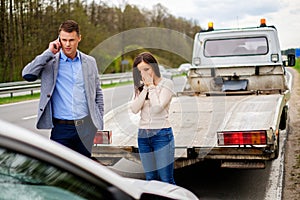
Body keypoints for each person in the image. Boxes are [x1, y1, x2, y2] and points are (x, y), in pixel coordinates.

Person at [22, 20, 104, 158]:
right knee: (60, 175)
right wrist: (48, 52)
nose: (67, 44)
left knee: (85, 174)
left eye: (71, 40)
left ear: (79, 38)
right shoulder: (50, 62)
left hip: (86, 128)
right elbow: (27, 74)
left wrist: (99, 121)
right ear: (58, 39)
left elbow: (98, 93)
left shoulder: (90, 62)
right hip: (61, 130)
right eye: (64, 40)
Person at [131, 52, 176, 184]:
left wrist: (151, 87)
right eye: (140, 71)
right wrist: (145, 89)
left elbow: (157, 108)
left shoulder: (167, 84)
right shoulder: (140, 87)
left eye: (147, 69)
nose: (144, 74)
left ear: (154, 67)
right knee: (150, 179)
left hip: (161, 135)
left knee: (165, 179)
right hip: (143, 135)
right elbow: (134, 109)